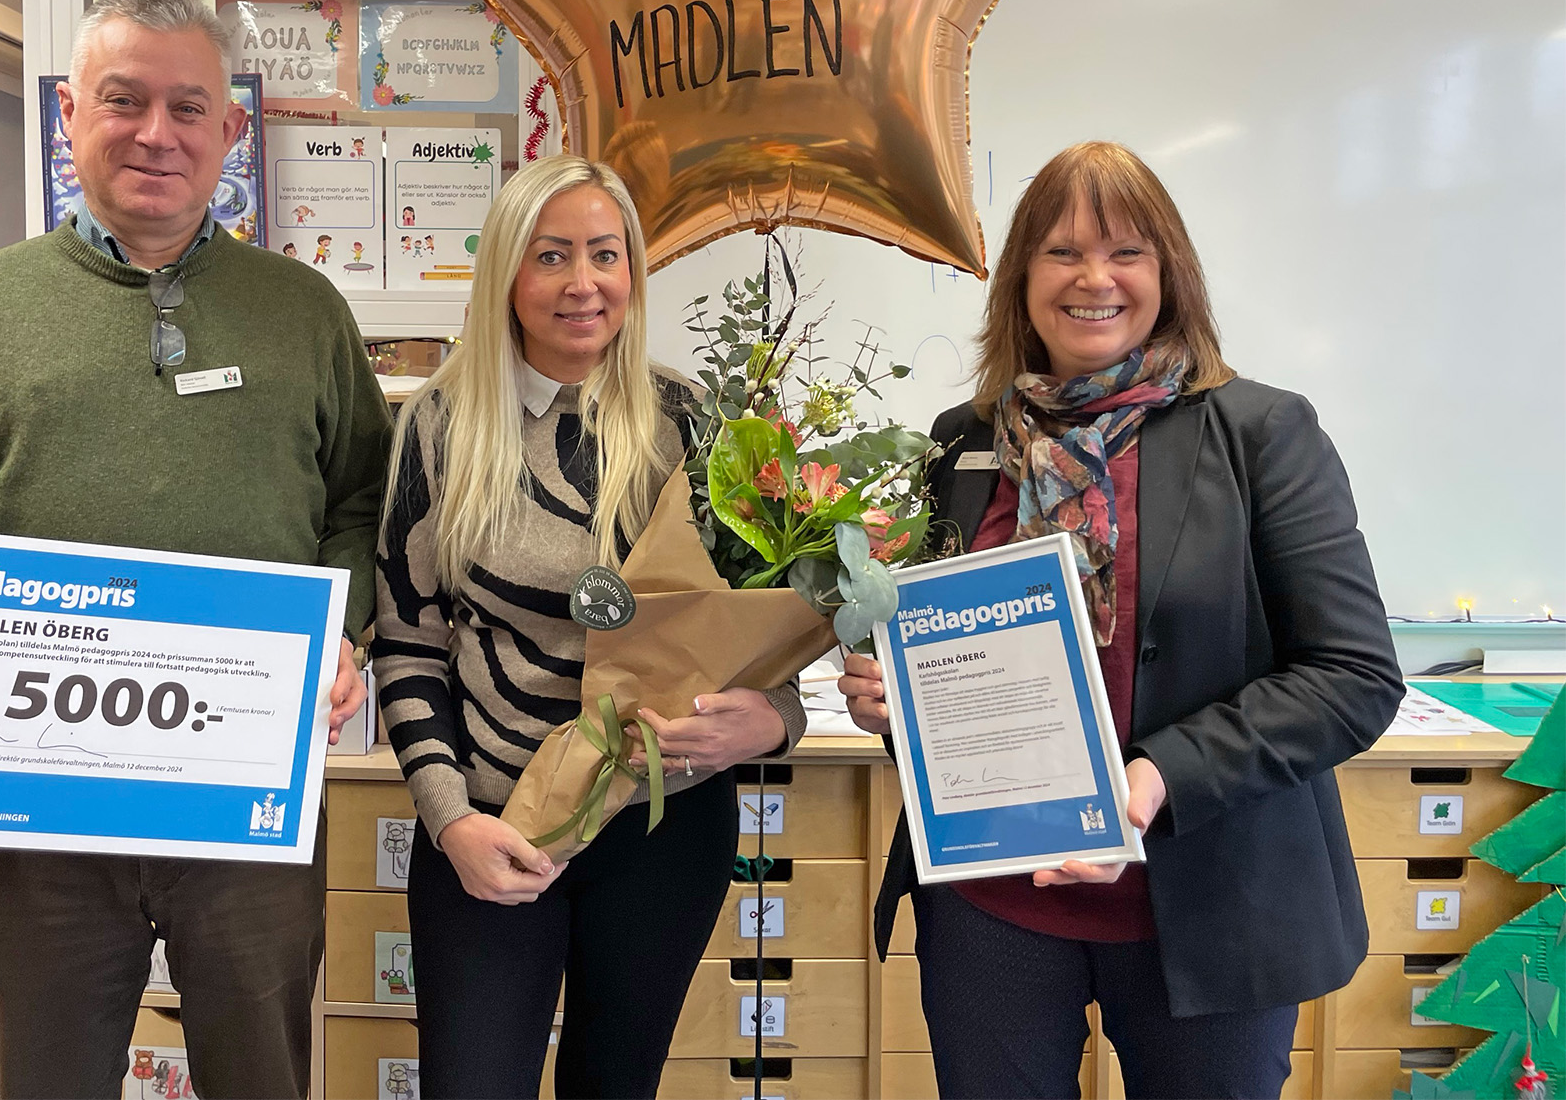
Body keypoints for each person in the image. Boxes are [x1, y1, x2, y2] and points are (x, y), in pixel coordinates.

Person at [0, 0, 391, 1100]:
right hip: (37, 822)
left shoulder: (304, 312)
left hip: (245, 807)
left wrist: (345, 626)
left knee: (264, 1076)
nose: (155, 133)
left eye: (189, 106)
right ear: (68, 114)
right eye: (123, 100)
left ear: (232, 131)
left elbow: (362, 506)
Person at [839, 141, 1403, 1100]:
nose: (1092, 278)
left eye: (1125, 251)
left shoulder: (1262, 433)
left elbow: (1353, 676)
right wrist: (896, 694)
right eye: (1060, 252)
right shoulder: (964, 444)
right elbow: (938, 642)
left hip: (1206, 905)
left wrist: (1151, 781)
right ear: (1022, 280)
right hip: (992, 912)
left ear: (1168, 274)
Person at [371, 156, 807, 1099]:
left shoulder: (693, 422)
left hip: (663, 822)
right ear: (506, 276)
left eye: (604, 254)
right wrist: (452, 824)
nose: (582, 283)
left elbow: (764, 636)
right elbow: (408, 643)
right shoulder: (441, 425)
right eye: (551, 255)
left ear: (633, 272)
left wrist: (771, 720)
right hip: (495, 826)